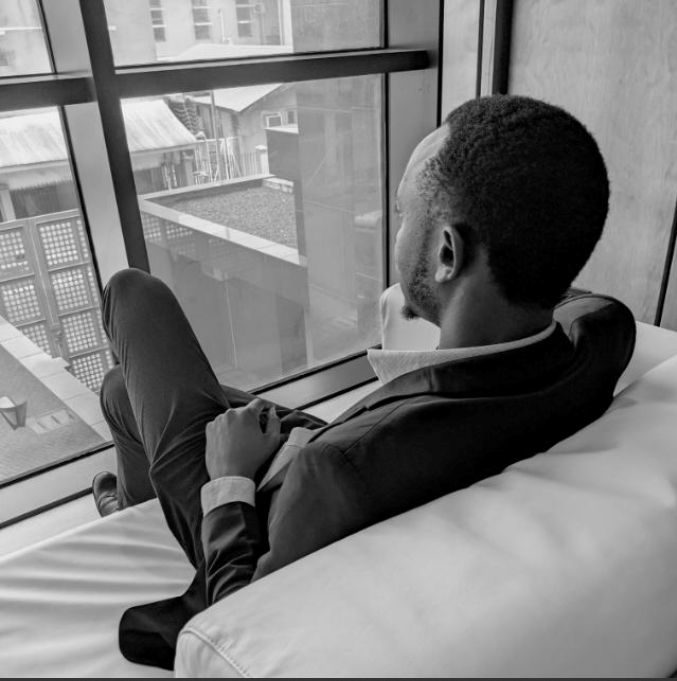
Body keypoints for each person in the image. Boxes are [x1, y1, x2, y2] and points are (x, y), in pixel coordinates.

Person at [93, 95, 636, 670]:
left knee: (133, 295)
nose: (392, 231)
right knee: (124, 390)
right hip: (390, 447)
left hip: (266, 506)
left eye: (402, 215)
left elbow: (238, 621)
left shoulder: (334, 471)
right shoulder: (602, 334)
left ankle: (146, 506)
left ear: (446, 253)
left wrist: (230, 477)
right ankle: (132, 504)